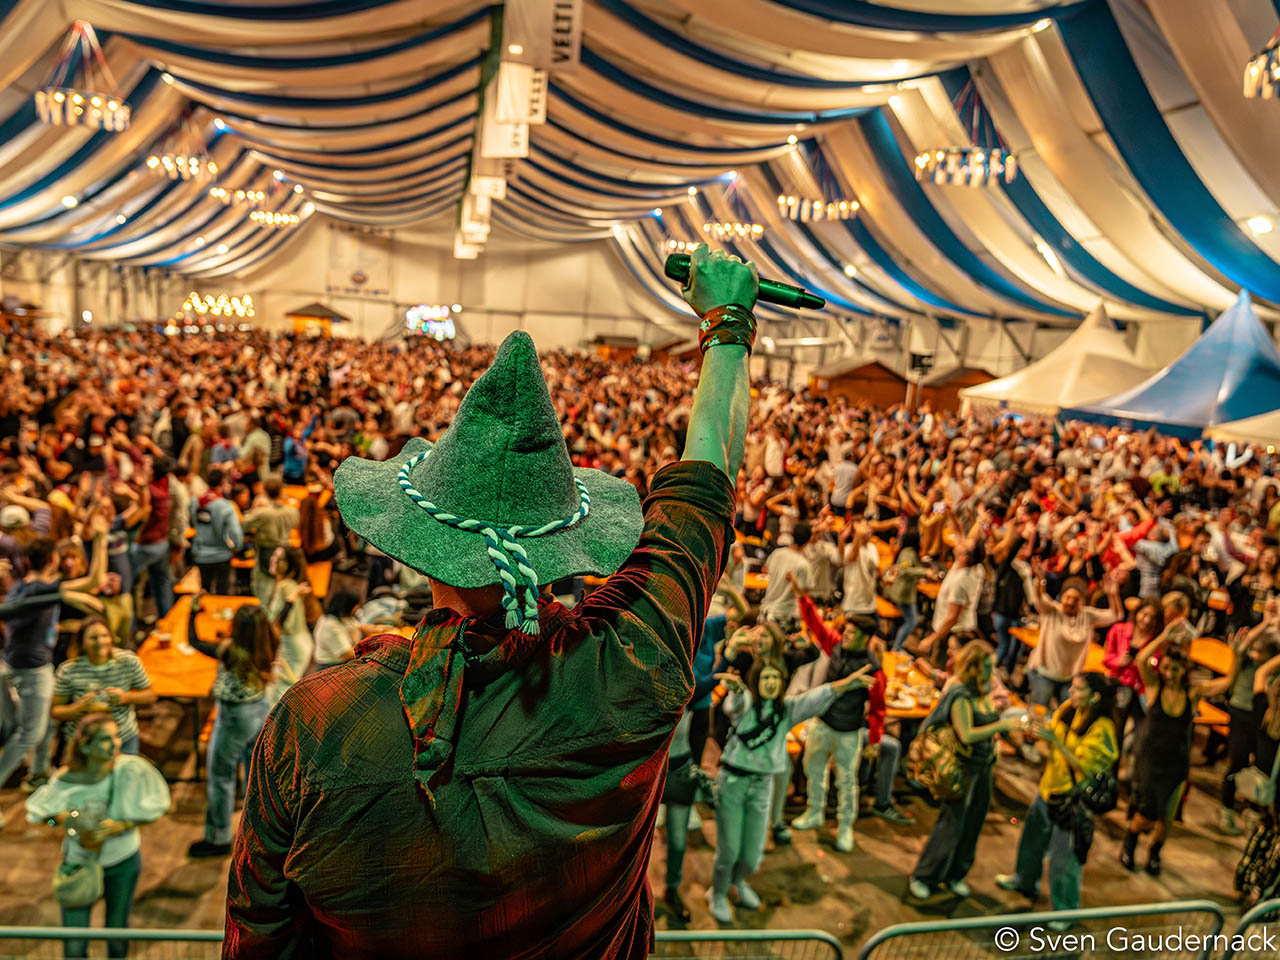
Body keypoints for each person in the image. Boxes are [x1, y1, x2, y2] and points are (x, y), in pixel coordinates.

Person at [223, 245, 754, 958]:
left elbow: (258, 933)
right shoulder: (631, 660)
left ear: (420, 547)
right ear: (563, 545)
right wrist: (728, 326)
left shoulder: (316, 724)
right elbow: (705, 482)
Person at [710, 657, 869, 923]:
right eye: (765, 677)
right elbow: (733, 705)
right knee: (728, 850)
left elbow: (817, 696)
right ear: (755, 682)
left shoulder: (787, 709)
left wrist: (845, 685)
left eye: (775, 678)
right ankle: (717, 892)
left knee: (752, 854)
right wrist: (736, 690)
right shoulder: (747, 703)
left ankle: (738, 882)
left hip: (762, 786)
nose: (770, 682)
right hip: (733, 783)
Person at [25, 713, 170, 959]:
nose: (114, 744)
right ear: (85, 744)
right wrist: (64, 818)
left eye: (115, 736)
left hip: (122, 862)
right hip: (79, 865)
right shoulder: (64, 779)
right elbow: (43, 817)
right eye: (104, 739)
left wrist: (123, 825)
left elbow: (158, 806)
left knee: (117, 936)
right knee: (73, 947)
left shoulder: (132, 769)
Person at [0, 516, 108, 804]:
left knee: (42, 725)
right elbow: (96, 580)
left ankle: (38, 774)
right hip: (32, 670)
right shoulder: (41, 589)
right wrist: (100, 541)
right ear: (52, 560)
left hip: (13, 665)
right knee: (28, 735)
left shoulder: (23, 586)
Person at [1120, 623, 1238, 874]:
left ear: (1184, 669)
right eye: (1166, 668)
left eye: (1175, 668)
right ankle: (1129, 844)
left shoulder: (1192, 693)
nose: (1170, 673)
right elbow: (1141, 659)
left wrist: (1237, 654)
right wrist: (1164, 635)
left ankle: (1154, 854)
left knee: (1167, 817)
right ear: (1160, 668)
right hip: (1151, 761)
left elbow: (1228, 682)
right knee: (1145, 815)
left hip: (1177, 763)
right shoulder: (1154, 688)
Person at [908, 640, 1021, 901]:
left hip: (983, 767)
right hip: (961, 768)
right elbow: (967, 734)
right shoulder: (959, 693)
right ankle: (925, 875)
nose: (993, 672)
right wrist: (1003, 727)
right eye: (988, 666)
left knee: (974, 823)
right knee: (952, 823)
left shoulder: (982, 690)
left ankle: (955, 874)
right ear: (974, 666)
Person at [995, 673, 1118, 910]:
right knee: (1032, 841)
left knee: (1064, 859)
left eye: (1078, 689)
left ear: (1095, 697)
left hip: (1070, 800)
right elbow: (1050, 733)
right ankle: (1023, 881)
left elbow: (1088, 770)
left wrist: (1058, 742)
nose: (1071, 692)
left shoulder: (1102, 729)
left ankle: (1065, 910)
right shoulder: (1068, 710)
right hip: (1047, 789)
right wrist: (1035, 730)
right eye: (1071, 687)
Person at [790, 579, 884, 853]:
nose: (847, 635)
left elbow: (878, 709)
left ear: (866, 638)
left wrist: (874, 741)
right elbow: (817, 626)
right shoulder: (836, 645)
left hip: (849, 732)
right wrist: (802, 598)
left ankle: (845, 828)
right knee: (814, 770)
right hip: (822, 723)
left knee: (846, 782)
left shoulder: (875, 670)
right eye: (847, 631)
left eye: (853, 633)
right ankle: (814, 811)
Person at [186, 597, 280, 858]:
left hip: (234, 717)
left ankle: (218, 838)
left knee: (221, 777)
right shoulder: (269, 643)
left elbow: (194, 641)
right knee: (254, 776)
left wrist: (192, 613)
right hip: (260, 709)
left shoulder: (231, 650)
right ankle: (257, 834)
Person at [51, 617, 155, 756]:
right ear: (82, 642)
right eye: (93, 638)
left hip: (122, 737)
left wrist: (125, 697)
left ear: (112, 638)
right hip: (84, 741)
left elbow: (150, 696)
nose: (100, 642)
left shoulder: (128, 661)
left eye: (104, 636)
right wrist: (79, 708)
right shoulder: (68, 670)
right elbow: (55, 712)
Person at [1025, 566, 1123, 709]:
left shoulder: (1088, 616)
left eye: (1076, 599)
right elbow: (1039, 599)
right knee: (1039, 712)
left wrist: (1112, 594)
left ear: (1082, 601)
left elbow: (1116, 615)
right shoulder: (1052, 610)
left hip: (1069, 679)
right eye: (1067, 597)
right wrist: (1040, 580)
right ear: (1062, 597)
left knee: (1066, 715)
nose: (1070, 602)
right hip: (1043, 674)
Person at [1103, 600, 1163, 755]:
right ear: (1137, 613)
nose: (1147, 620)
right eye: (1144, 614)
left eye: (1152, 617)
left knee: (1146, 728)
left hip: (1141, 689)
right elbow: (1106, 659)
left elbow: (1157, 669)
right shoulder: (1119, 630)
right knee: (1116, 728)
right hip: (1119, 684)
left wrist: (1143, 665)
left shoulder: (1157, 641)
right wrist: (1120, 661)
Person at [261, 546, 314, 708]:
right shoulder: (288, 585)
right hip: (297, 643)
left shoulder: (286, 586)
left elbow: (277, 623)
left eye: (280, 559)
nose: (274, 560)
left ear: (289, 565)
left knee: (279, 693)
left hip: (293, 647)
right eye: (274, 556)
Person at [919, 538, 985, 669]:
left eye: (963, 544)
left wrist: (930, 640)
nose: (959, 542)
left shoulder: (960, 583)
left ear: (965, 557)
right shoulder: (977, 567)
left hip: (952, 634)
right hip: (965, 626)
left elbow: (952, 618)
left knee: (942, 670)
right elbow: (967, 535)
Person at [242, 478, 299, 603]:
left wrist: (254, 508)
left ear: (265, 492)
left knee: (264, 585)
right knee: (283, 582)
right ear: (280, 491)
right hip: (285, 549)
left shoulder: (262, 512)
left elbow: (244, 524)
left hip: (267, 551)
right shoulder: (292, 511)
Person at [190, 468, 243, 595]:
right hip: (221, 555)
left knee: (204, 590)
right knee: (221, 593)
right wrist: (237, 546)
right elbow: (235, 532)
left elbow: (192, 521)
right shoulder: (225, 506)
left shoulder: (195, 502)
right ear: (223, 482)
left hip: (200, 554)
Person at [758, 522, 812, 632]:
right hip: (784, 618)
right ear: (808, 541)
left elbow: (765, 570)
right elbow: (804, 596)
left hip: (765, 611)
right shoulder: (803, 564)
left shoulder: (777, 553)